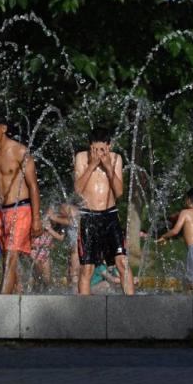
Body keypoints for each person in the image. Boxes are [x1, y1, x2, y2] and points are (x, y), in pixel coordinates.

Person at [0, 111, 42, 294]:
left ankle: (0, 305)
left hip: (21, 209)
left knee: (11, 257)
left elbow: (33, 186)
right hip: (1, 212)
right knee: (7, 258)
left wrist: (37, 219)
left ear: (3, 129)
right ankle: (16, 302)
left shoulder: (20, 151)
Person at [73, 126, 134, 296]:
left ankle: (133, 305)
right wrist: (91, 165)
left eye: (102, 149)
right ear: (89, 146)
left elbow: (119, 192)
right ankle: (84, 309)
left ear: (109, 146)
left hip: (110, 215)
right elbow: (77, 189)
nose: (99, 153)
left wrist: (108, 167)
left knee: (122, 262)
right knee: (87, 268)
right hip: (88, 216)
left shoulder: (116, 159)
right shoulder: (81, 158)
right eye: (95, 149)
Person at [30, 213, 65, 290]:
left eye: (49, 222)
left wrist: (50, 230)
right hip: (35, 253)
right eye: (46, 222)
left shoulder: (51, 230)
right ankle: (35, 290)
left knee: (47, 280)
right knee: (38, 274)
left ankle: (45, 293)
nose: (47, 224)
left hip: (46, 254)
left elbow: (61, 238)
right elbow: (29, 240)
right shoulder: (38, 229)